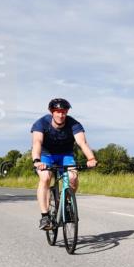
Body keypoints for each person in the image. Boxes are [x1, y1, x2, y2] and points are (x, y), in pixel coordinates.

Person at [31, 98, 97, 229]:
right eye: (57, 112)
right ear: (52, 112)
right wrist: (37, 161)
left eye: (64, 112)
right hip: (46, 155)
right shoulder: (41, 123)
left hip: (65, 155)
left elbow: (82, 143)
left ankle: (67, 202)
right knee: (45, 177)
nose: (61, 115)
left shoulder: (74, 124)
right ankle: (45, 217)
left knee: (72, 177)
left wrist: (91, 158)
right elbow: (37, 142)